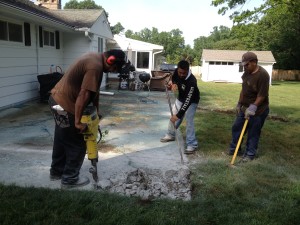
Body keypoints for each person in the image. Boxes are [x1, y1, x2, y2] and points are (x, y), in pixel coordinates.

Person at [48, 49, 126, 188]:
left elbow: (93, 92)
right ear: (110, 60)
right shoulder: (95, 67)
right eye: (114, 68)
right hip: (65, 106)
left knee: (61, 138)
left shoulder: (95, 59)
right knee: (77, 142)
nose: (113, 70)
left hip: (56, 101)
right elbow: (83, 95)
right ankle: (69, 179)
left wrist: (96, 110)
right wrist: (77, 122)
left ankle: (56, 172)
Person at [228, 51, 270, 162]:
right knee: (236, 127)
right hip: (244, 107)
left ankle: (250, 154)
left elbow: (262, 95)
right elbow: (244, 90)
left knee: (253, 132)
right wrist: (239, 103)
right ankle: (235, 149)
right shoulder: (246, 73)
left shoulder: (263, 75)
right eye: (244, 65)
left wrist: (253, 107)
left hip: (258, 110)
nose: (245, 67)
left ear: (254, 62)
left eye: (247, 64)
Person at [160, 60, 200, 154]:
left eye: (184, 73)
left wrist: (178, 115)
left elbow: (187, 101)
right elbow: (173, 78)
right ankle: (170, 135)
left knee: (189, 120)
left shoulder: (192, 81)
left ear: (188, 70)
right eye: (180, 72)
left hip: (191, 101)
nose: (181, 75)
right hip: (180, 98)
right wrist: (173, 83)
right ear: (178, 69)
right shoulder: (176, 73)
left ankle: (192, 144)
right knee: (173, 116)